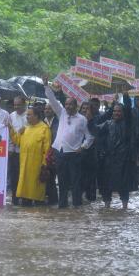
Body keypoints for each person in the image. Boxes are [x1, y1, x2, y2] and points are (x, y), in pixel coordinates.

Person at [42, 75, 94, 208]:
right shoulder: (62, 113)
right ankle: (62, 207)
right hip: (59, 152)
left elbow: (90, 137)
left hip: (74, 154)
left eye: (71, 104)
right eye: (66, 104)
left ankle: (77, 208)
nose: (68, 106)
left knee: (75, 182)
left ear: (76, 106)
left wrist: (83, 147)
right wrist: (46, 85)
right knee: (62, 182)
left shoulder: (82, 119)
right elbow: (52, 100)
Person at [87, 93, 133, 209]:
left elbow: (128, 110)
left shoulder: (128, 124)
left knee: (123, 186)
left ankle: (124, 208)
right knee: (105, 186)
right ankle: (107, 207)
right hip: (108, 160)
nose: (116, 113)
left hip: (123, 161)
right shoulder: (108, 124)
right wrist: (90, 120)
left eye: (119, 111)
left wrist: (126, 95)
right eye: (114, 111)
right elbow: (95, 131)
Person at [9, 106, 51, 205]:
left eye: (29, 114)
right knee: (25, 201)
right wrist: (10, 128)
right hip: (25, 168)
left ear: (36, 116)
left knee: (37, 200)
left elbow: (47, 149)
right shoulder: (25, 128)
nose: (27, 117)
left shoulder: (44, 129)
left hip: (37, 168)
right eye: (27, 114)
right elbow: (17, 141)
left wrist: (44, 165)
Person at [8, 95, 27, 205]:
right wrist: (10, 149)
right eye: (15, 105)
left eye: (19, 105)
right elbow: (10, 134)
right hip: (14, 152)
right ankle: (14, 200)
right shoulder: (11, 116)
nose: (16, 107)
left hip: (26, 152)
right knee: (14, 177)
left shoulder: (29, 115)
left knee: (24, 177)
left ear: (24, 104)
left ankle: (25, 200)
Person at [79, 102, 97, 201]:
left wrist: (90, 120)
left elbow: (94, 135)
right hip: (78, 155)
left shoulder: (94, 121)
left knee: (90, 181)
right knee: (79, 180)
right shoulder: (76, 121)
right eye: (83, 108)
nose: (85, 110)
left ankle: (90, 200)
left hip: (90, 156)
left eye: (87, 108)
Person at [43, 103, 59, 205]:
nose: (47, 110)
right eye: (46, 109)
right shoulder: (41, 122)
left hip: (55, 154)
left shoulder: (59, 122)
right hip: (44, 154)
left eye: (49, 108)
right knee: (44, 176)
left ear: (53, 110)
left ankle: (54, 201)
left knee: (52, 177)